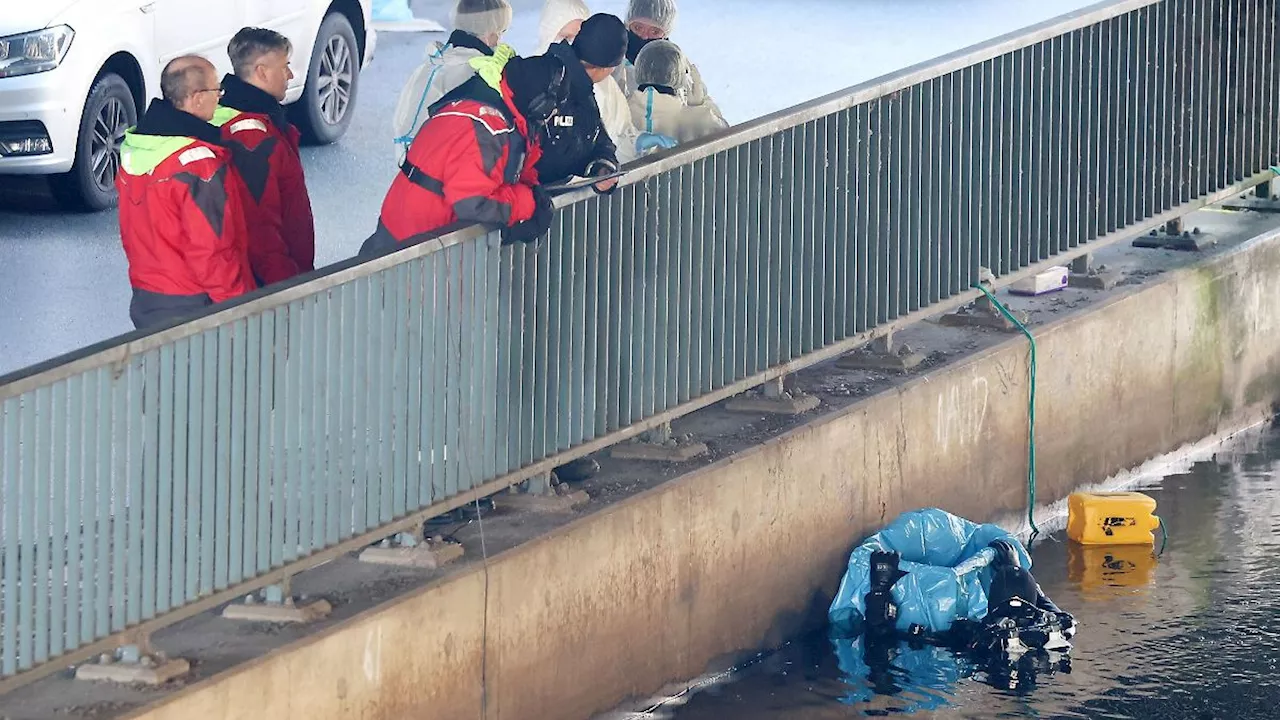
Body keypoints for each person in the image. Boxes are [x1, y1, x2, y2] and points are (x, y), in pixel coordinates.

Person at [362, 52, 569, 256]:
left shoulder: (498, 108)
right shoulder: (487, 129)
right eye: (553, 109)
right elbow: (473, 202)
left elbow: (515, 165)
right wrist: (527, 203)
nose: (553, 116)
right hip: (413, 250)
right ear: (540, 104)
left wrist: (533, 189)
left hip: (412, 237)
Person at [117, 56, 256, 330]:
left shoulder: (139, 151)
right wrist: (242, 310)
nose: (220, 98)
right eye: (217, 91)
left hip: (147, 298)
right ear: (196, 98)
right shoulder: (199, 165)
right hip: (195, 305)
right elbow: (213, 252)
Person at [213, 27, 315, 286]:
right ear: (261, 72)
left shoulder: (241, 117)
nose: (290, 75)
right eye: (285, 66)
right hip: (272, 285)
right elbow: (261, 230)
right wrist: (288, 287)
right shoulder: (252, 138)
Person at [391, 0, 514, 164]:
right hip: (437, 165)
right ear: (492, 33)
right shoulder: (476, 70)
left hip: (406, 157)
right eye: (501, 31)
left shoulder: (432, 63)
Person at [535, 0, 640, 165]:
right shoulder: (534, 81)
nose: (571, 46)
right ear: (548, 34)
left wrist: (635, 143)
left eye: (578, 37)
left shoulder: (606, 85)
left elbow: (621, 132)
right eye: (565, 37)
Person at [617, 0, 723, 120]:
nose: (644, 36)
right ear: (628, 24)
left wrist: (698, 109)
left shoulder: (678, 64)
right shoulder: (611, 64)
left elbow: (718, 126)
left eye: (655, 31)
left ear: (666, 32)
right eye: (638, 27)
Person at [628, 40, 727, 153]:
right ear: (680, 74)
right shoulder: (698, 120)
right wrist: (702, 104)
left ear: (638, 68)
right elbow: (728, 140)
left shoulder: (620, 111)